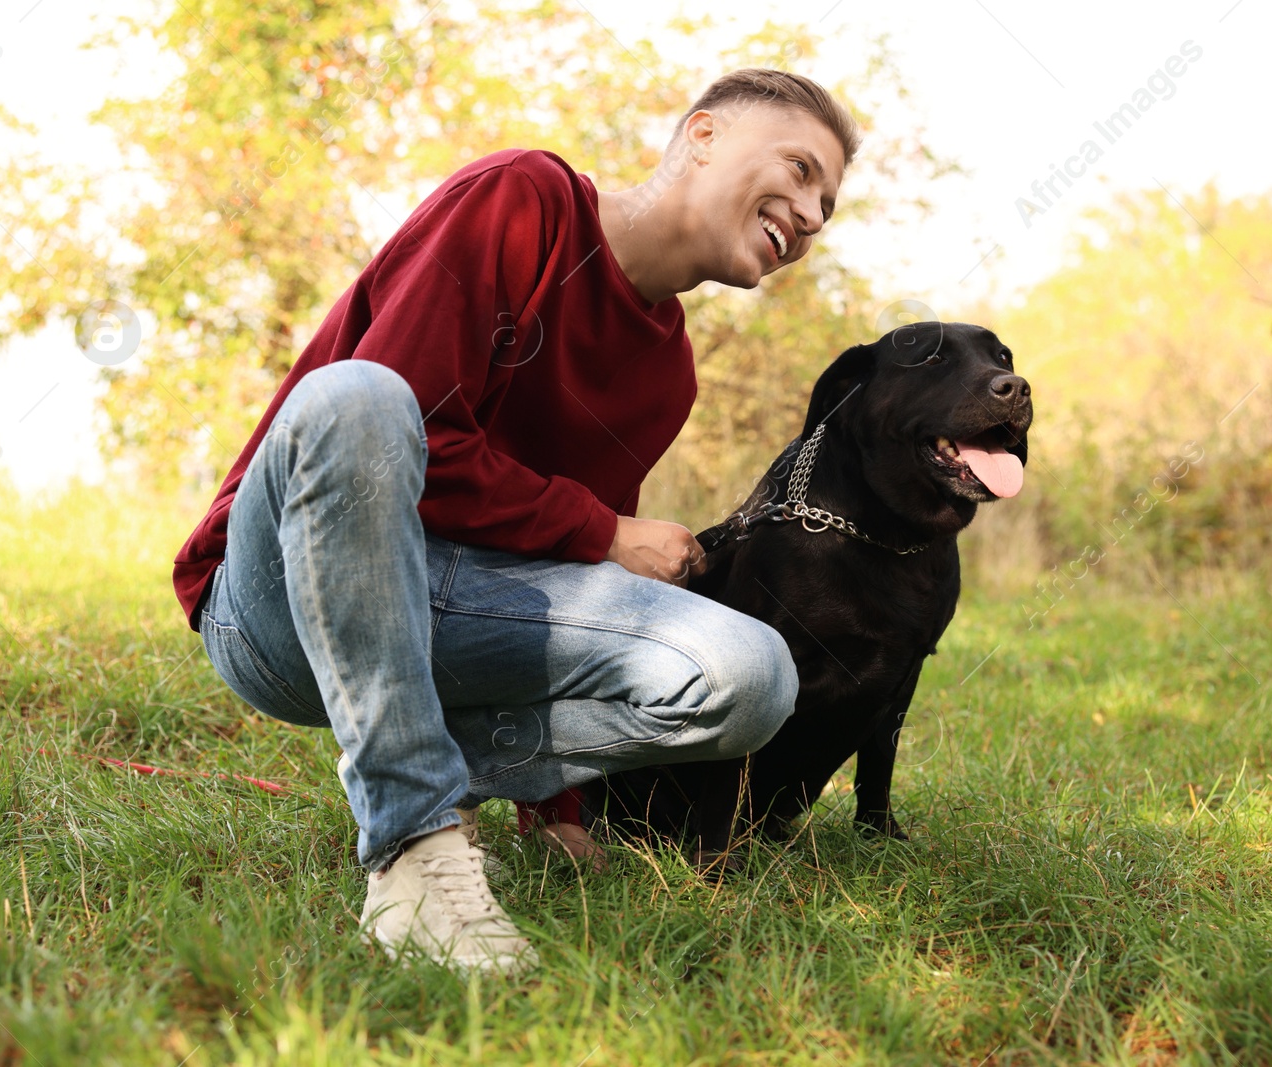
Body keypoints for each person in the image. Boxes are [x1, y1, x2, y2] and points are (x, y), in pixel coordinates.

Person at [172, 68, 858, 976]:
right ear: (701, 137)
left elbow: (562, 579)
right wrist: (607, 529)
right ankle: (414, 846)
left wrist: (558, 810)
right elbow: (400, 436)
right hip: (282, 604)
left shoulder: (669, 373)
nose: (811, 213)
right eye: (801, 169)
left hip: (451, 617)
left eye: (828, 204)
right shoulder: (523, 200)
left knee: (750, 674)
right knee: (359, 398)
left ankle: (444, 769)